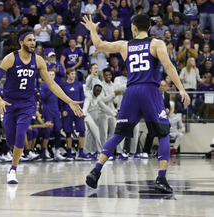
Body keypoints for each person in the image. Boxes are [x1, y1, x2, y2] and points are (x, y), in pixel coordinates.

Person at [81, 14, 190, 193]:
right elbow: (169, 66)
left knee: (118, 134)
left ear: (133, 28)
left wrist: (93, 30)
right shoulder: (156, 44)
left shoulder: (125, 45)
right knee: (163, 134)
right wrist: (181, 89)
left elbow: (99, 45)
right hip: (150, 91)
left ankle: (95, 171)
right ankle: (161, 178)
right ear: (149, 28)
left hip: (131, 92)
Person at [0, 28, 83, 184]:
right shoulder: (10, 59)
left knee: (21, 133)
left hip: (27, 103)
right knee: (11, 141)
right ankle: (14, 152)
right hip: (10, 103)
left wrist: (69, 101)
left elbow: (52, 84)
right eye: (30, 40)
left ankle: (13, 170)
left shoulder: (38, 60)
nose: (33, 43)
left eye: (34, 40)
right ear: (21, 42)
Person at [39, 69, 66, 161]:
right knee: (47, 131)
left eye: (52, 75)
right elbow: (42, 98)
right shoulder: (43, 85)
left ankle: (57, 152)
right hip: (47, 112)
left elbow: (60, 99)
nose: (51, 76)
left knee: (58, 132)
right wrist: (51, 89)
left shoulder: (57, 85)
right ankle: (45, 151)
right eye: (49, 74)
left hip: (56, 112)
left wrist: (62, 110)